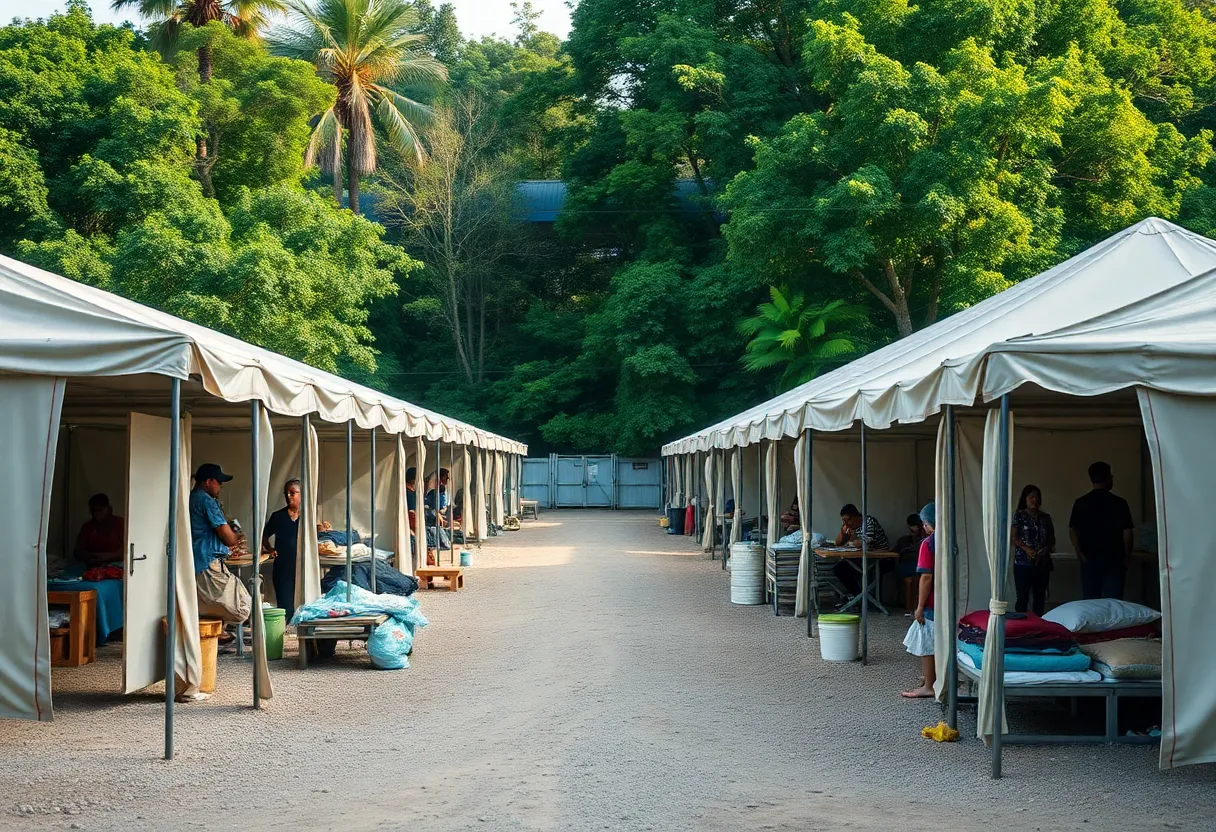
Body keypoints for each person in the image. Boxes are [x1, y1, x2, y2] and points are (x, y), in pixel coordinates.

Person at [1068, 461, 1134, 600]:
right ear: (1108, 477)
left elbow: (1072, 529)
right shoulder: (1119, 503)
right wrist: (1127, 557)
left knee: (1091, 603)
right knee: (1113, 603)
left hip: (1089, 559)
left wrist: (1079, 553)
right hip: (1115, 560)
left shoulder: (1081, 503)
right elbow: (1127, 533)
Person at [901, 502, 937, 699]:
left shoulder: (928, 543)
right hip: (953, 601)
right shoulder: (954, 540)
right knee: (943, 643)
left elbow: (926, 577)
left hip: (932, 601)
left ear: (927, 524)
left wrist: (920, 606)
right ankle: (936, 677)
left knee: (927, 643)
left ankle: (929, 686)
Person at [1011, 484, 1055, 615]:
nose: (1034, 500)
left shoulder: (1045, 517)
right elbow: (1013, 537)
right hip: (1023, 563)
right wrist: (1027, 549)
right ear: (1025, 499)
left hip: (1042, 563)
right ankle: (1021, 627)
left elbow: (1051, 539)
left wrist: (1046, 549)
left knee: (1039, 597)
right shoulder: (1019, 516)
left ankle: (1038, 625)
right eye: (1031, 497)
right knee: (1022, 598)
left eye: (1037, 498)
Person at [262, 479, 301, 622]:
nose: (288, 496)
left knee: (303, 600)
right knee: (285, 602)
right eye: (286, 493)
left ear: (301, 494)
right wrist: (270, 548)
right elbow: (264, 536)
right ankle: (286, 632)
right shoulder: (278, 516)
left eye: (292, 493)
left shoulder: (308, 517)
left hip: (302, 565)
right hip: (283, 565)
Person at [190, 463, 238, 575]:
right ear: (208, 482)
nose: (220, 487)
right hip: (209, 563)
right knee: (239, 593)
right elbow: (230, 539)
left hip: (196, 561)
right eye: (219, 483)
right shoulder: (207, 501)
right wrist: (236, 531)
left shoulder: (191, 498)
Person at [832, 503, 889, 595]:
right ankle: (857, 596)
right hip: (862, 558)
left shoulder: (868, 522)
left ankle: (859, 597)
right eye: (844, 521)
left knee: (843, 568)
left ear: (856, 517)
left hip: (879, 558)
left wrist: (851, 540)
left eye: (848, 520)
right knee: (839, 568)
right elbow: (837, 543)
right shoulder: (851, 526)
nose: (847, 523)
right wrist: (842, 532)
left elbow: (863, 543)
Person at [73, 493, 124, 567]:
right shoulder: (87, 526)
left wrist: (112, 556)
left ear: (110, 509)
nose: (96, 514)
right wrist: (91, 556)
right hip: (93, 567)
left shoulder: (122, 524)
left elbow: (129, 551)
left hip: (117, 567)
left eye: (99, 510)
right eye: (93, 511)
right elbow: (77, 553)